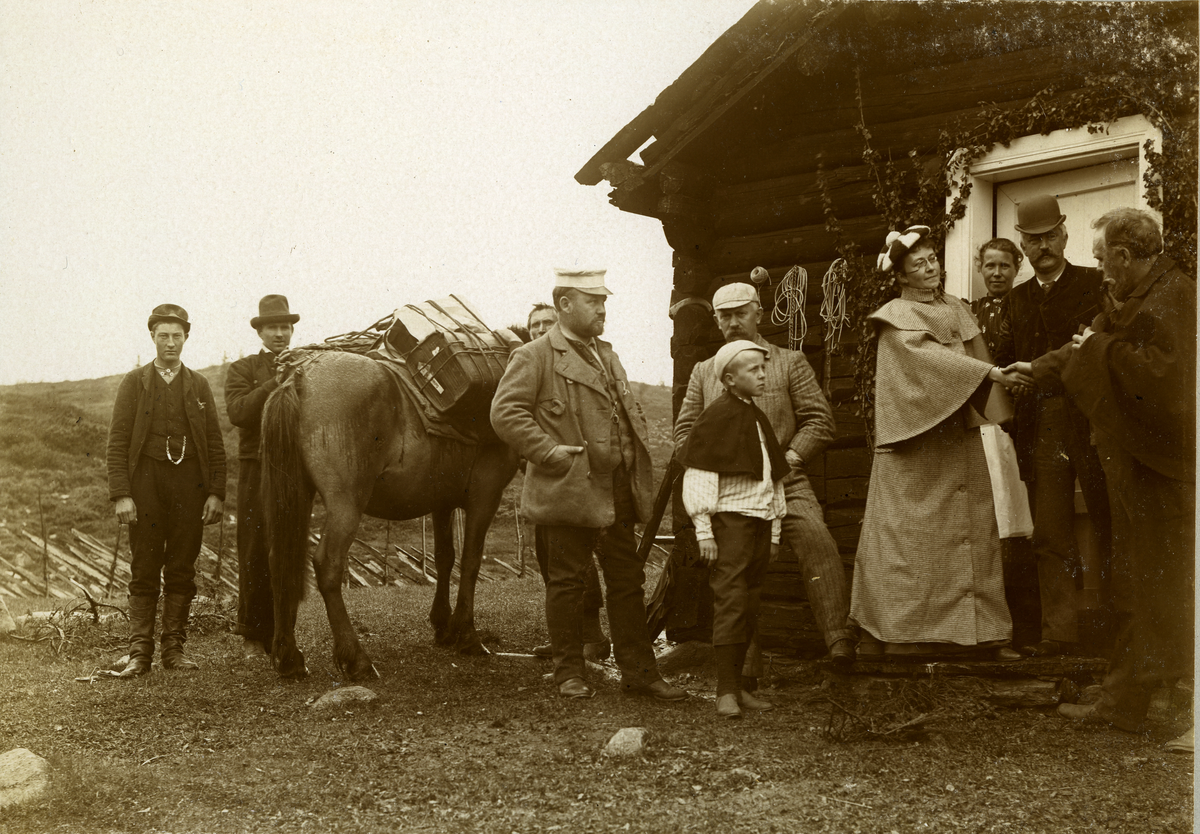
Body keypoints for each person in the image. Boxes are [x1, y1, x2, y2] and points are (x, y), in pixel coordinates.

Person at [1008, 209, 1194, 751]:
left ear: (1125, 255)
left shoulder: (1176, 298)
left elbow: (1169, 383)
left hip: (1167, 471)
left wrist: (1098, 352)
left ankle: (1162, 705)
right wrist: (1036, 369)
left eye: (1102, 260)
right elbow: (1088, 343)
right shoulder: (1134, 300)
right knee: (1138, 579)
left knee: (1173, 583)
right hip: (1136, 468)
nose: (1100, 272)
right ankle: (1124, 703)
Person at [491, 268, 685, 702]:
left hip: (616, 488)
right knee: (566, 583)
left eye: (604, 302)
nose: (602, 310)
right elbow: (505, 413)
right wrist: (548, 452)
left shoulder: (607, 353)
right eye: (593, 301)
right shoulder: (534, 356)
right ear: (564, 304)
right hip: (568, 487)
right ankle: (568, 674)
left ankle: (640, 672)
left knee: (626, 579)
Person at [850, 226, 1025, 661]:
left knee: (970, 532)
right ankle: (900, 632)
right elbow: (927, 362)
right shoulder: (894, 317)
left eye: (933, 260)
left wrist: (990, 378)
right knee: (909, 540)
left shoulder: (956, 309)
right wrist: (988, 374)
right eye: (919, 264)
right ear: (902, 276)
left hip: (957, 438)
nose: (931, 269)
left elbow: (973, 354)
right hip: (914, 446)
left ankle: (982, 634)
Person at [675, 282, 855, 668]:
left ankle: (839, 641)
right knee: (736, 566)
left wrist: (787, 459)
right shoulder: (706, 371)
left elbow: (820, 421)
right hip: (729, 489)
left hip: (786, 481)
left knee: (817, 541)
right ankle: (746, 667)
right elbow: (684, 432)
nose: (733, 322)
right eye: (725, 315)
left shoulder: (788, 362)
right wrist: (715, 467)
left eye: (741, 313)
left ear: (758, 312)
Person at [992, 194, 1112, 658]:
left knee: (1108, 521)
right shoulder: (1016, 299)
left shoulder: (1093, 283)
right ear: (1023, 245)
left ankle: (1116, 631)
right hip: (1041, 423)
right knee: (1050, 531)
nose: (1042, 247)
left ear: (1064, 234)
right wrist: (1012, 382)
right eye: (1032, 240)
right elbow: (1004, 356)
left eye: (1049, 237)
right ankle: (1058, 632)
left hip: (1091, 418)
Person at [106, 304, 226, 676]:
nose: (170, 343)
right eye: (163, 336)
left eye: (177, 336)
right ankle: (140, 654)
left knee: (181, 566)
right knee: (144, 565)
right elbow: (117, 442)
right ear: (152, 337)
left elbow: (215, 443)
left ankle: (173, 651)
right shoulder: (134, 382)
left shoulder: (199, 384)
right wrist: (121, 493)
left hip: (189, 484)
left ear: (186, 338)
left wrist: (216, 492)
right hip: (145, 484)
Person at [681, 340, 787, 719]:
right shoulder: (717, 417)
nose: (762, 375)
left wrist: (774, 531)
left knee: (750, 603)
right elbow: (700, 473)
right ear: (729, 379)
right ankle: (724, 690)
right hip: (730, 524)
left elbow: (771, 477)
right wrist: (704, 530)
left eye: (763, 368)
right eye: (753, 370)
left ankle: (741, 687)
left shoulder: (756, 416)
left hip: (759, 524)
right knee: (730, 601)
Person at [521, 301, 610, 662]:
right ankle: (569, 641)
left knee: (579, 561)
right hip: (548, 480)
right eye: (533, 326)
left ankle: (593, 636)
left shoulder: (582, 360)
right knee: (552, 561)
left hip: (585, 476)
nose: (540, 329)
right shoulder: (531, 362)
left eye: (546, 322)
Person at [224, 294, 299, 660]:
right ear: (261, 331)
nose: (280, 334)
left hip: (296, 467)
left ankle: (284, 631)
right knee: (255, 546)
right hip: (257, 465)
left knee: (289, 546)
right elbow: (239, 412)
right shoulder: (243, 369)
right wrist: (275, 384)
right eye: (273, 328)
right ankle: (253, 635)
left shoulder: (306, 365)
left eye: (285, 327)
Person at [969, 237, 1022, 358]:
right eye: (990, 266)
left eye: (1004, 266)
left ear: (1016, 270)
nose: (997, 273)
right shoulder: (970, 310)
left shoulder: (1027, 307)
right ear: (980, 268)